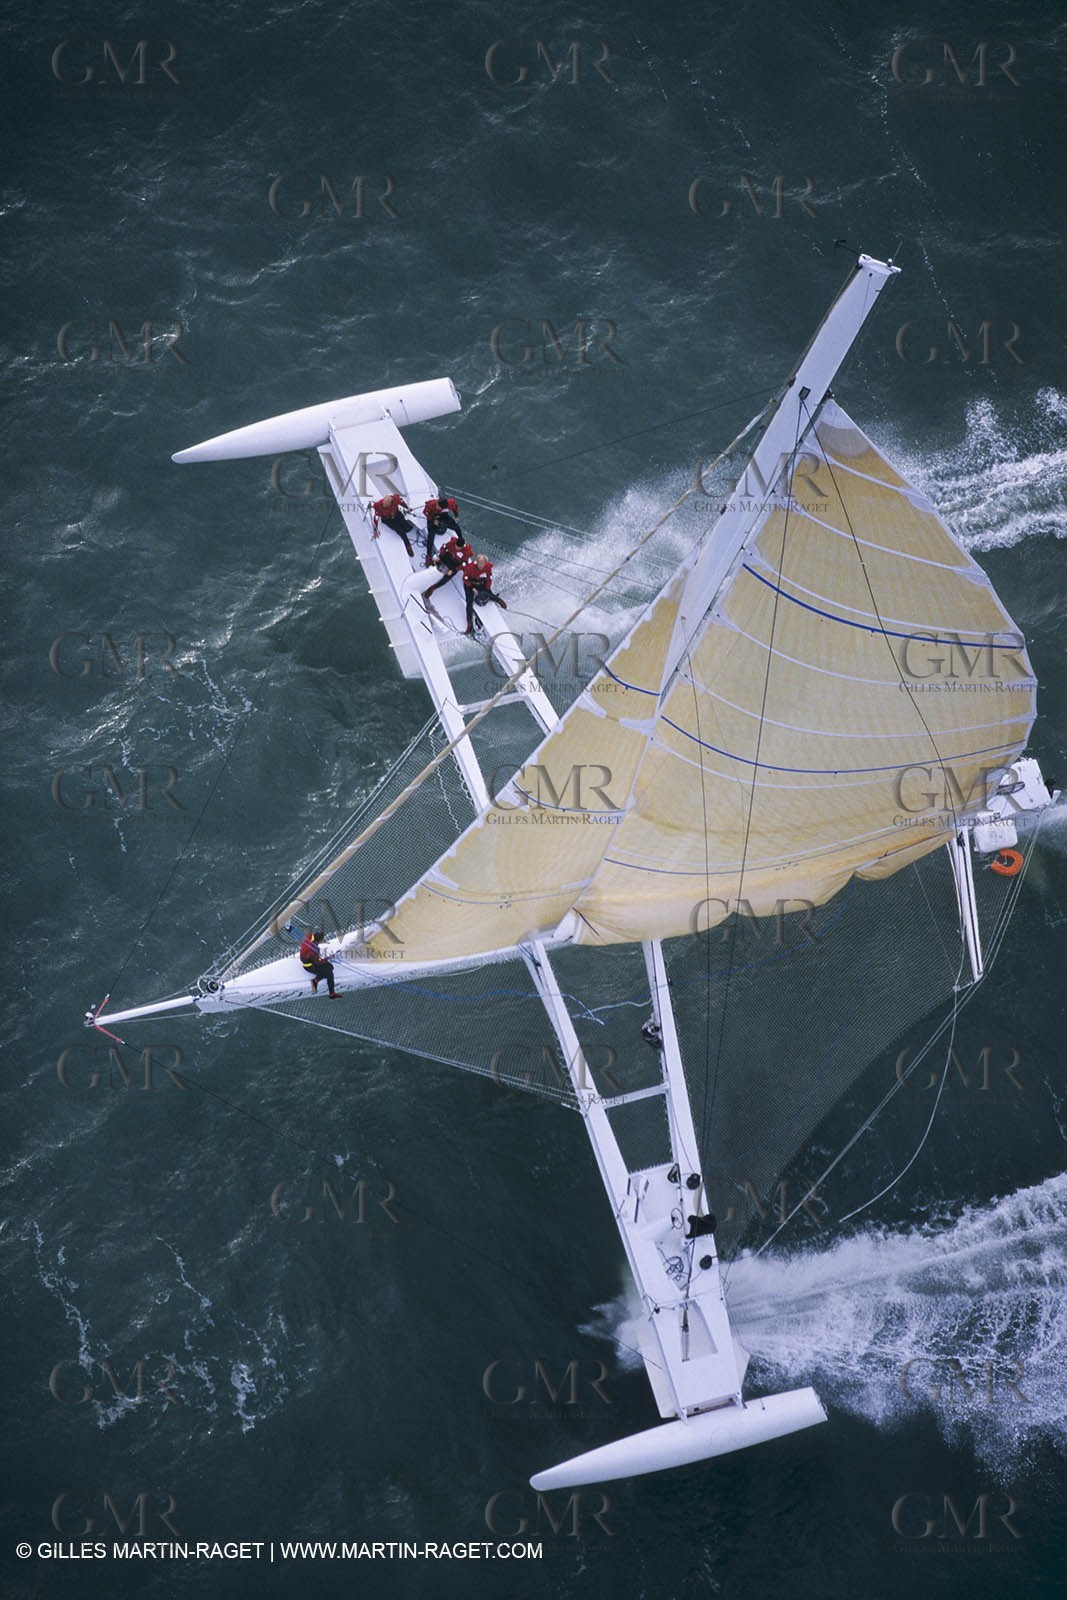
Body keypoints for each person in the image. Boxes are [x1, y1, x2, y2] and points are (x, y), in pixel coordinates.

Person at [462, 552, 507, 635]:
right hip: (470, 584)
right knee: (469, 602)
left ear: (485, 563)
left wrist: (487, 588)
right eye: (479, 563)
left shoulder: (488, 567)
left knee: (487, 592)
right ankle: (469, 624)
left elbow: (489, 579)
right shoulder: (469, 567)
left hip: (481, 583)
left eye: (482, 564)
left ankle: (498, 600)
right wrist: (472, 588)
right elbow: (465, 579)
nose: (480, 565)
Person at [425, 532, 474, 597]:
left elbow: (464, 564)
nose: (456, 548)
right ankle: (430, 569)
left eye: (458, 547)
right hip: (448, 556)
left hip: (455, 563)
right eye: (456, 546)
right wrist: (440, 556)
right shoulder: (453, 542)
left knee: (447, 577)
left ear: (462, 547)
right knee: (435, 561)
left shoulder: (467, 551)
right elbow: (444, 547)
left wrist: (454, 570)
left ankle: (433, 588)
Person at [422, 491, 462, 566]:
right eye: (437, 504)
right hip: (433, 516)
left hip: (443, 516)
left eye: (438, 505)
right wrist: (433, 520)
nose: (436, 505)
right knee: (431, 534)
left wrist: (456, 516)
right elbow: (425, 512)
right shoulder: (431, 505)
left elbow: (455, 508)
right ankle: (428, 555)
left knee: (456, 527)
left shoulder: (450, 503)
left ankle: (461, 541)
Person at [371, 493, 415, 557]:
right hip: (388, 520)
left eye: (385, 503)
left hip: (396, 514)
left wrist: (407, 508)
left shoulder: (395, 499)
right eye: (383, 502)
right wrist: (375, 529)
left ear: (390, 503)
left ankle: (406, 525)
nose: (383, 504)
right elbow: (376, 518)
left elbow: (401, 501)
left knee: (408, 528)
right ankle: (408, 546)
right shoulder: (378, 506)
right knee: (401, 532)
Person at [299, 929, 339, 998]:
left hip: (306, 959)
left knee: (329, 968)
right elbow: (317, 962)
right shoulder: (314, 950)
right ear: (318, 941)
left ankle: (317, 981)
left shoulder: (308, 936)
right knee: (329, 970)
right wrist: (328, 958)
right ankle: (330, 992)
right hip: (309, 966)